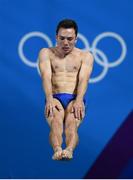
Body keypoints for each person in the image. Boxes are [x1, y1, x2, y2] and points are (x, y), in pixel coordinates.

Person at [39, 19, 94, 160]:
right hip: (55, 97)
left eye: (69, 39)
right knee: (56, 121)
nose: (65, 43)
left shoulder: (85, 56)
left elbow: (84, 79)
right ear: (56, 37)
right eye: (62, 38)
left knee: (71, 124)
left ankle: (69, 150)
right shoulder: (46, 53)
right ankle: (57, 149)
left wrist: (79, 100)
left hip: (75, 97)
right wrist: (49, 99)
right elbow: (45, 76)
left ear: (76, 38)